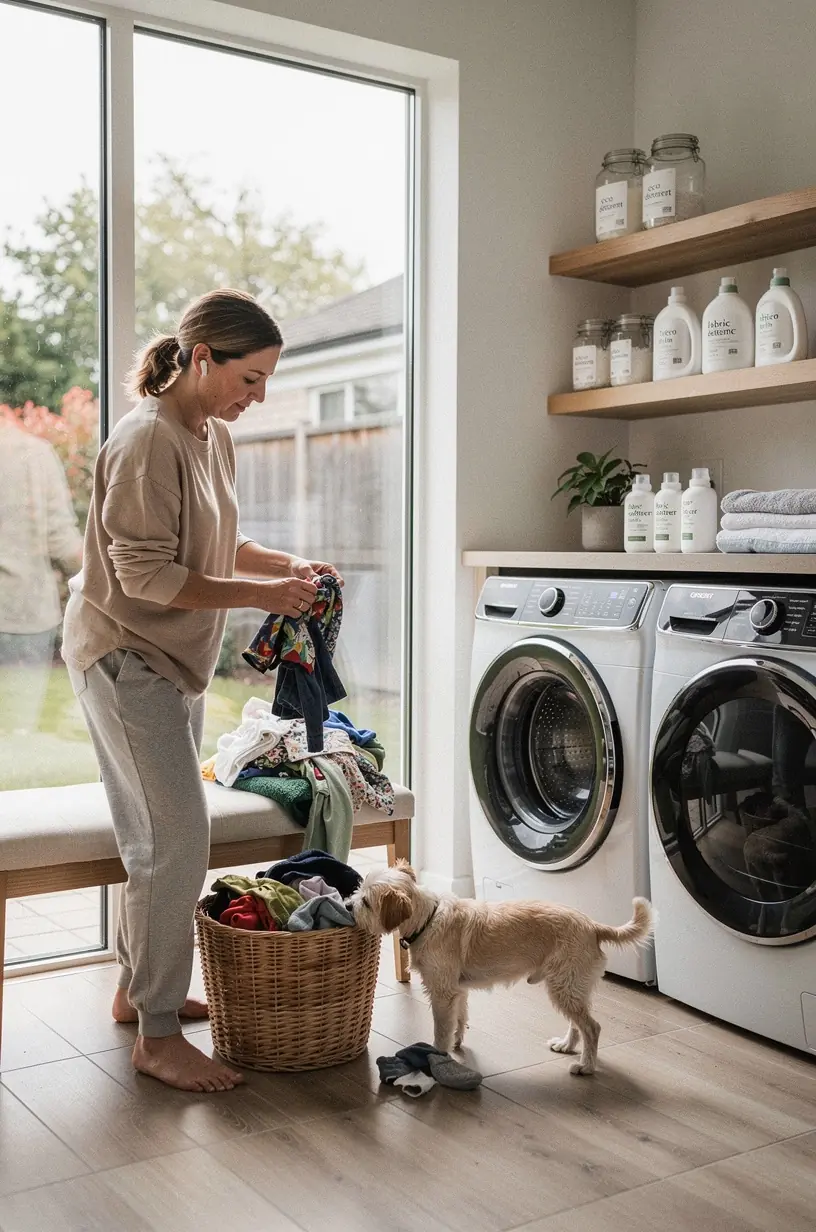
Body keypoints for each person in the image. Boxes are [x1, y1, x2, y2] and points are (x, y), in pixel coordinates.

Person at [61, 289, 342, 1093]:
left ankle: (132, 992)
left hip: (170, 660)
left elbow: (224, 539)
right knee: (174, 843)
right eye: (249, 379)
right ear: (202, 358)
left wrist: (287, 567)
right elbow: (144, 575)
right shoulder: (147, 439)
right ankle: (154, 1036)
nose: (258, 398)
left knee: (159, 836)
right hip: (125, 657)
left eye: (266, 382)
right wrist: (262, 598)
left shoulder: (208, 434)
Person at [0, 417, 83, 739]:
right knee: (18, 731)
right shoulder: (35, 454)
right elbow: (61, 541)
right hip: (26, 612)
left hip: (25, 615)